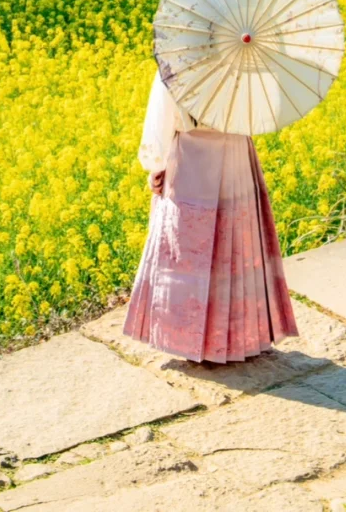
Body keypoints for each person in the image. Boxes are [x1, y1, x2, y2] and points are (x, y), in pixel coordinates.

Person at [123, 66, 298, 363]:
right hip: (236, 156)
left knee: (187, 252)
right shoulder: (243, 57)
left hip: (190, 159)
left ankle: (187, 340)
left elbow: (160, 121)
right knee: (237, 246)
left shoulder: (176, 61)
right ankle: (242, 338)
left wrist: (155, 165)